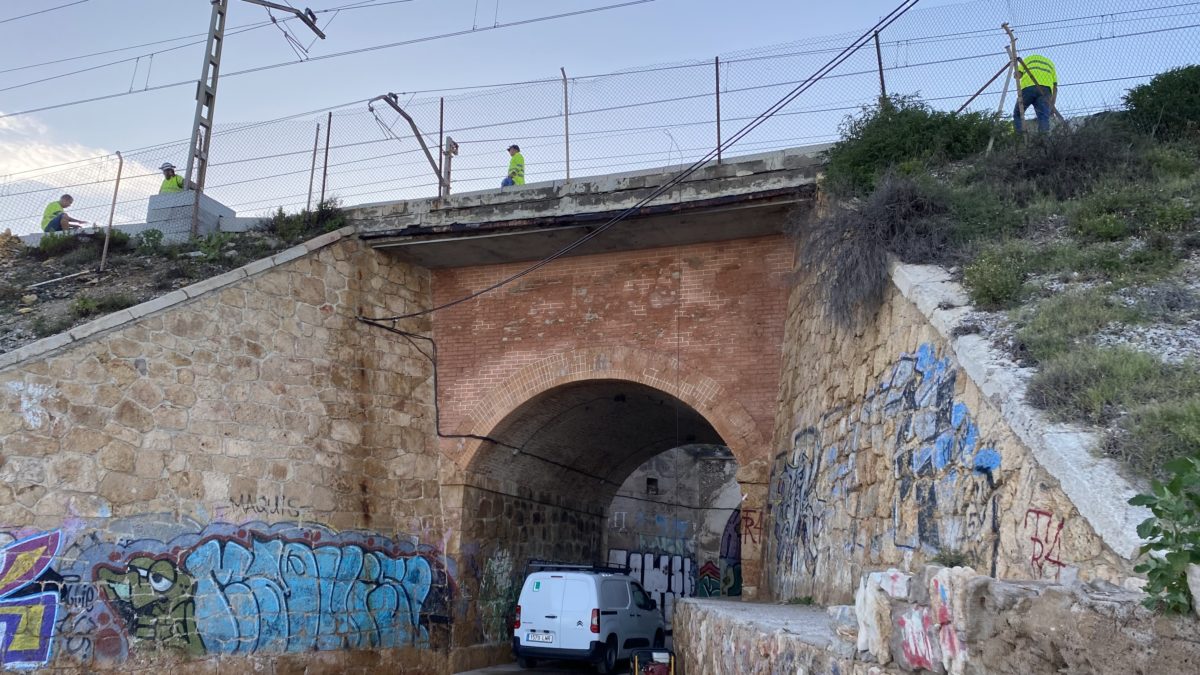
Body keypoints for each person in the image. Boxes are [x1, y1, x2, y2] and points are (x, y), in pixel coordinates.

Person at [1014, 54, 1057, 134]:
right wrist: (1052, 105)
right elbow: (1055, 87)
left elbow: (1018, 75)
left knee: (1018, 114)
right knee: (1043, 116)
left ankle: (1020, 137)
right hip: (1045, 89)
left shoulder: (1027, 60)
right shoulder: (1050, 63)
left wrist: (1015, 73)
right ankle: (1043, 139)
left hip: (1028, 88)